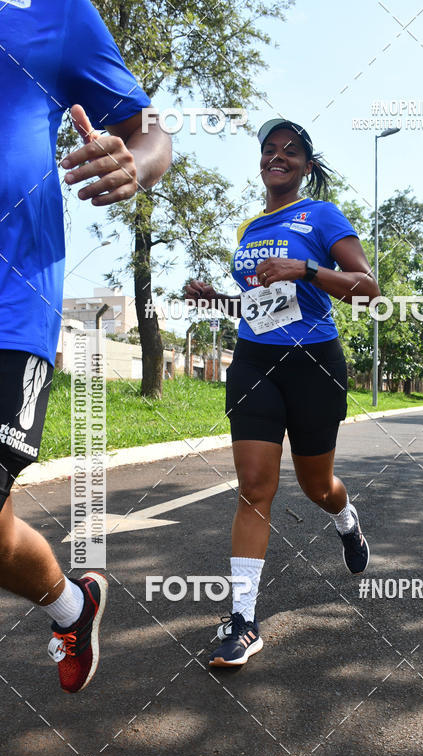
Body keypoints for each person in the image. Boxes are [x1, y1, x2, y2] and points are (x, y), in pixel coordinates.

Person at [0, 1, 172, 692]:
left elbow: (150, 128)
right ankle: (74, 602)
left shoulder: (57, 11)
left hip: (10, 308)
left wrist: (135, 160)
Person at [186, 118, 380, 668]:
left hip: (314, 364)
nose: (277, 157)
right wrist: (217, 301)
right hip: (254, 363)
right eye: (269, 150)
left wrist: (306, 267)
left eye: (289, 152)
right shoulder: (250, 227)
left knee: (317, 485)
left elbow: (367, 289)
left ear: (307, 167)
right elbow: (259, 305)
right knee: (254, 487)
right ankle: (243, 621)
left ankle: (346, 521)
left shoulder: (322, 215)